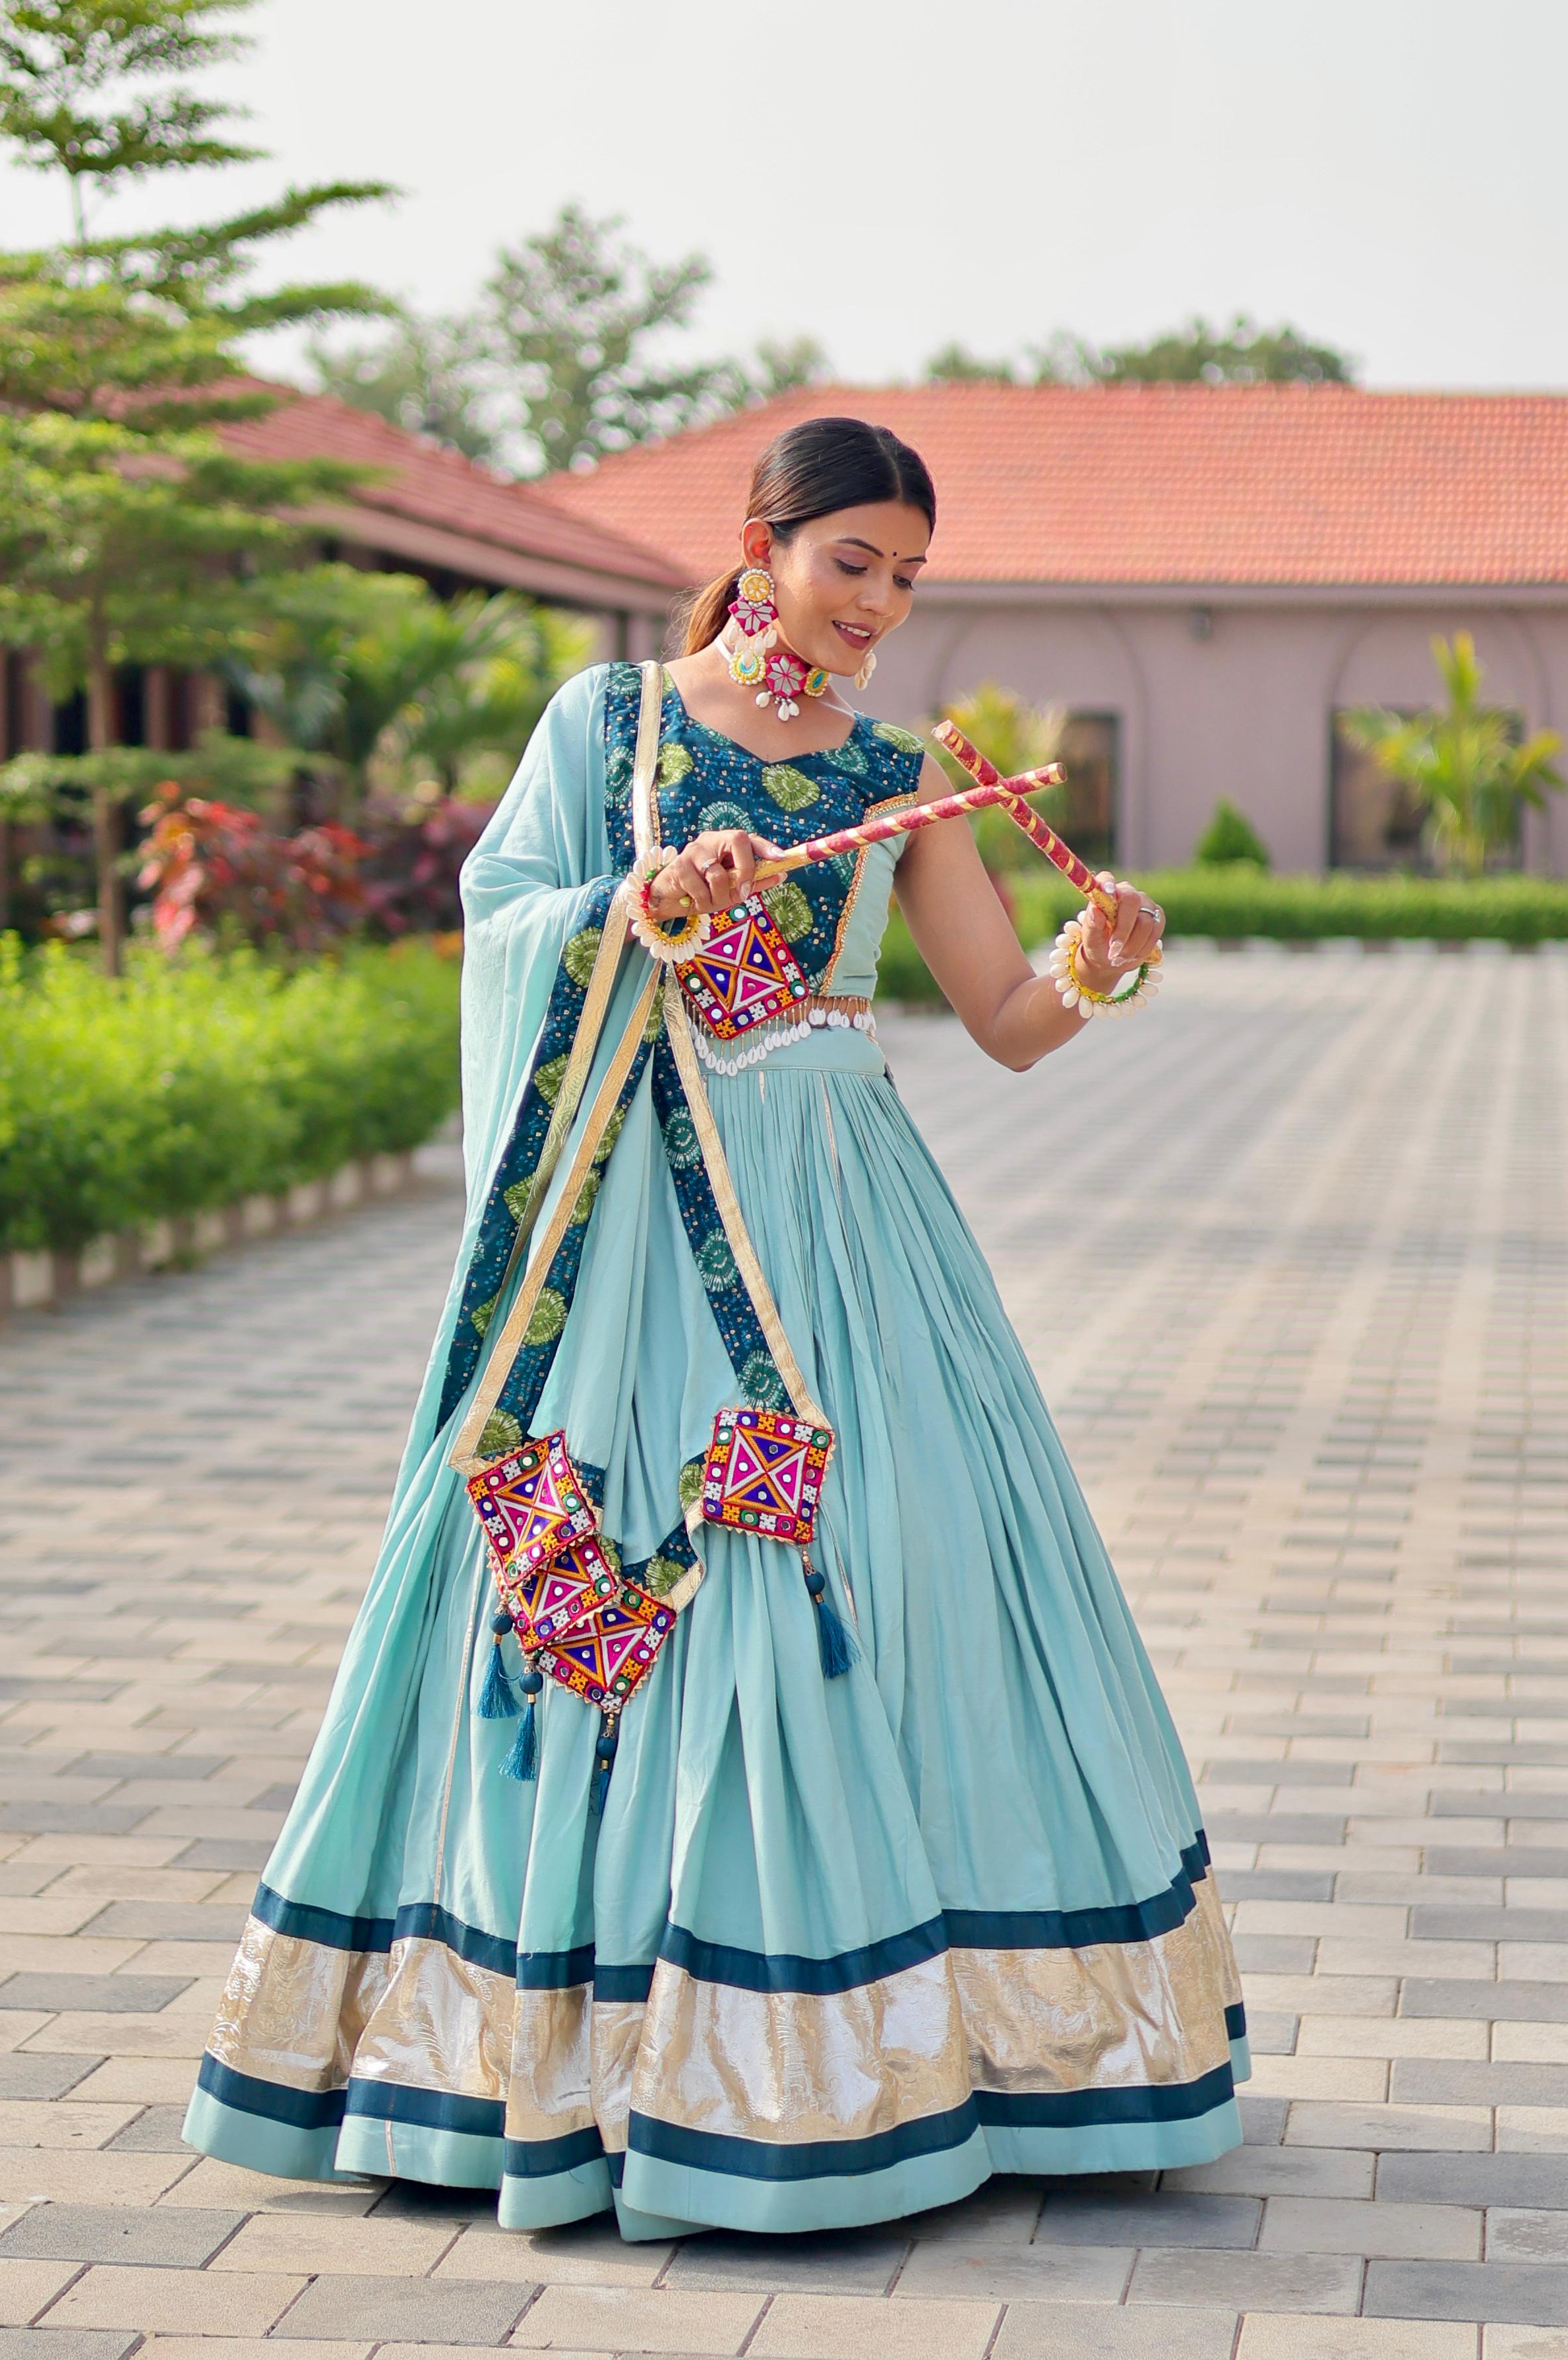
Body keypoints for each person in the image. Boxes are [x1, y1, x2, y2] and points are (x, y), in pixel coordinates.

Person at [185, 415, 1245, 2239]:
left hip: (844, 1225)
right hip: (630, 1224)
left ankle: (944, 2044)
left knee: (897, 1554)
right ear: (761, 549)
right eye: (856, 564)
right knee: (604, 1563)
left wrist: (1102, 962)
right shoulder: (613, 728)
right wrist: (642, 902)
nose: (880, 608)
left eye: (909, 578)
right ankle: (575, 2047)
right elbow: (508, 921)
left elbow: (996, 1015)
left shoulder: (902, 769)